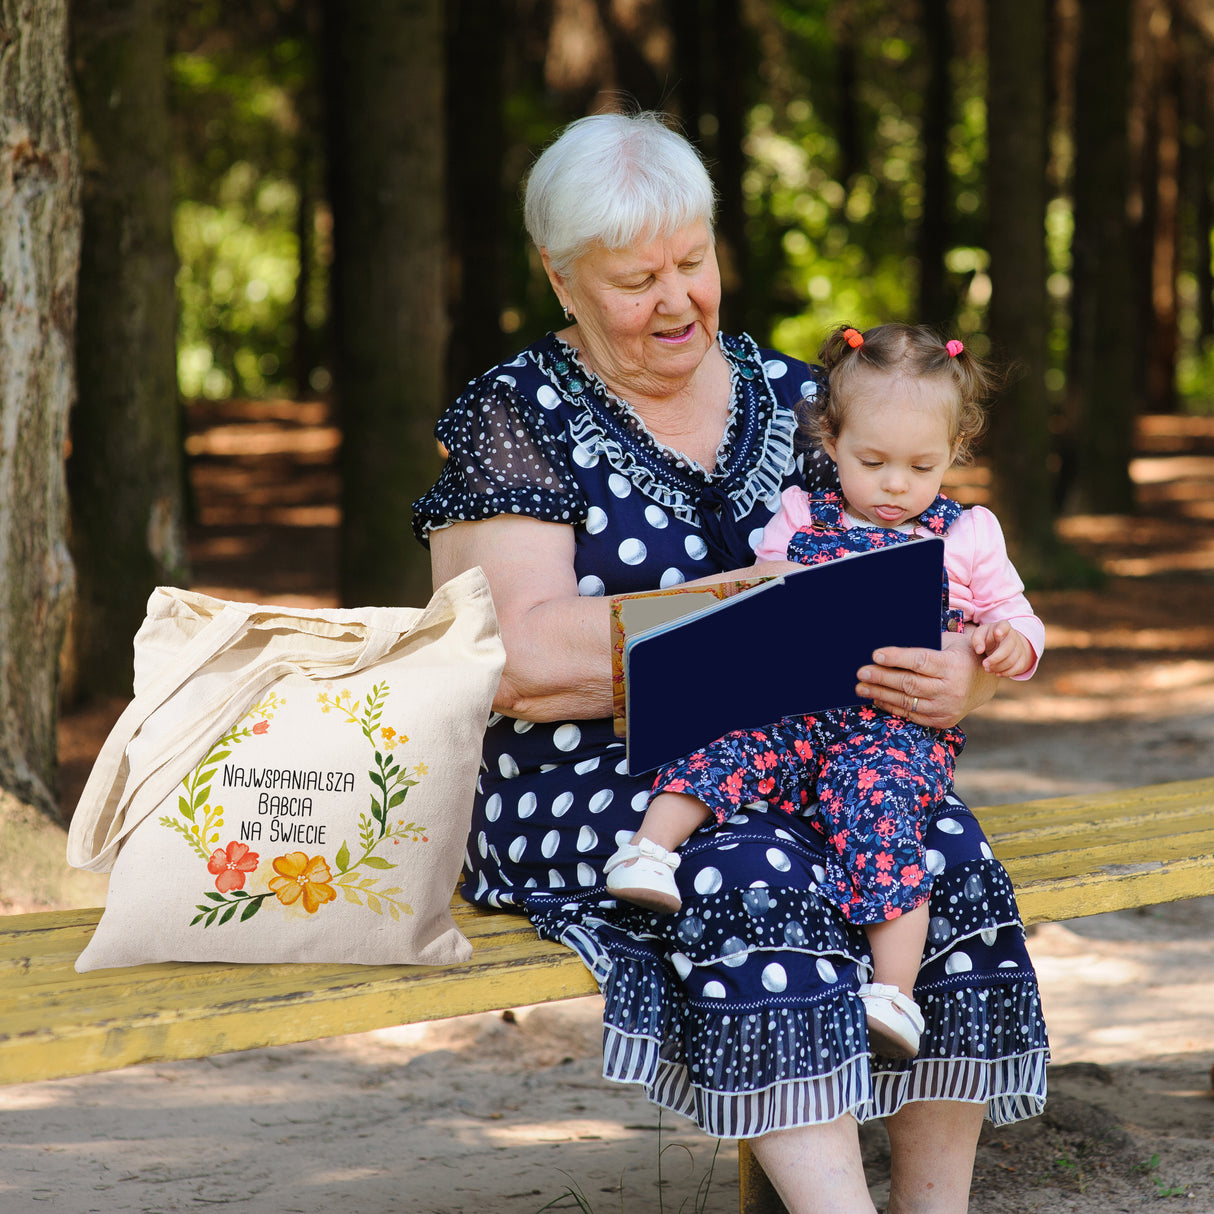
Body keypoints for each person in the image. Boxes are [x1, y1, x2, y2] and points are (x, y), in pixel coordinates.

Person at [412, 111, 1048, 1214]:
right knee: (756, 869)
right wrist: (728, 612)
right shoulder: (514, 414)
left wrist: (967, 676)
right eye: (634, 278)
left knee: (943, 847)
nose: (675, 299)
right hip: (586, 774)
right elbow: (512, 656)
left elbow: (930, 576)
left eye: (691, 261)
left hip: (808, 747)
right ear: (561, 280)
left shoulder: (800, 395)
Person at [602, 322, 1045, 1062]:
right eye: (872, 462)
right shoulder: (802, 514)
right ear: (831, 441)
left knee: (884, 817)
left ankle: (894, 991)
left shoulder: (969, 533)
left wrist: (1005, 648)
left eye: (921, 465)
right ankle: (649, 851)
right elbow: (759, 596)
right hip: (799, 704)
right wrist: (778, 589)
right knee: (727, 739)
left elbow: (1019, 619)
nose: (896, 485)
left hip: (895, 732)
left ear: (955, 454)